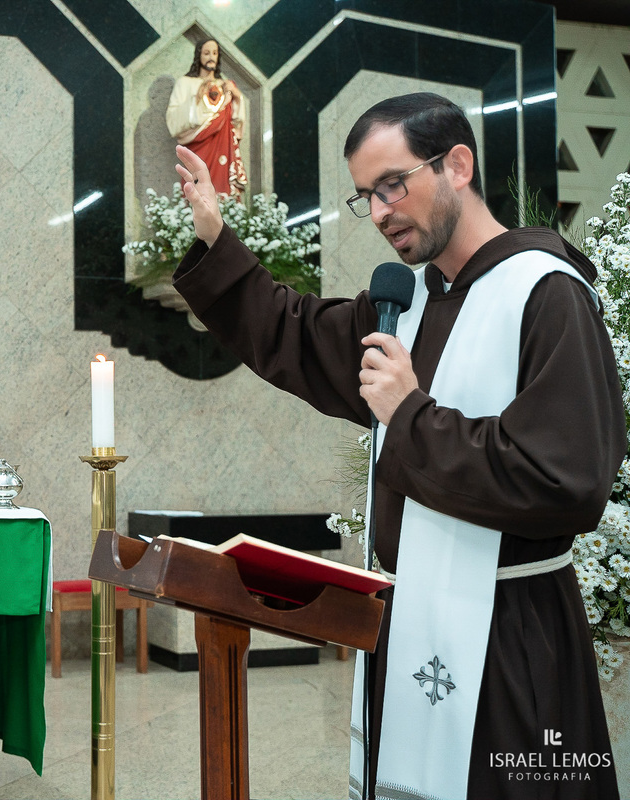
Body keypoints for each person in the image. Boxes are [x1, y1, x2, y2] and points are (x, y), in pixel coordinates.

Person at [171, 93, 623, 799]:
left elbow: (568, 480)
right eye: (364, 196)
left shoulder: (545, 294)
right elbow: (293, 332)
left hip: (511, 639)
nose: (379, 212)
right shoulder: (406, 304)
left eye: (392, 185)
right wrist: (216, 238)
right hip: (408, 627)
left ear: (458, 166)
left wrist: (409, 415)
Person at [166, 37, 247, 198]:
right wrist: (197, 101)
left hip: (221, 147)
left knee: (221, 192)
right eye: (206, 53)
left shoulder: (225, 85)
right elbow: (172, 120)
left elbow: (236, 122)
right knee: (197, 189)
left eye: (215, 53)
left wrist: (237, 96)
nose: (211, 57)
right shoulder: (185, 83)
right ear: (199, 56)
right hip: (197, 147)